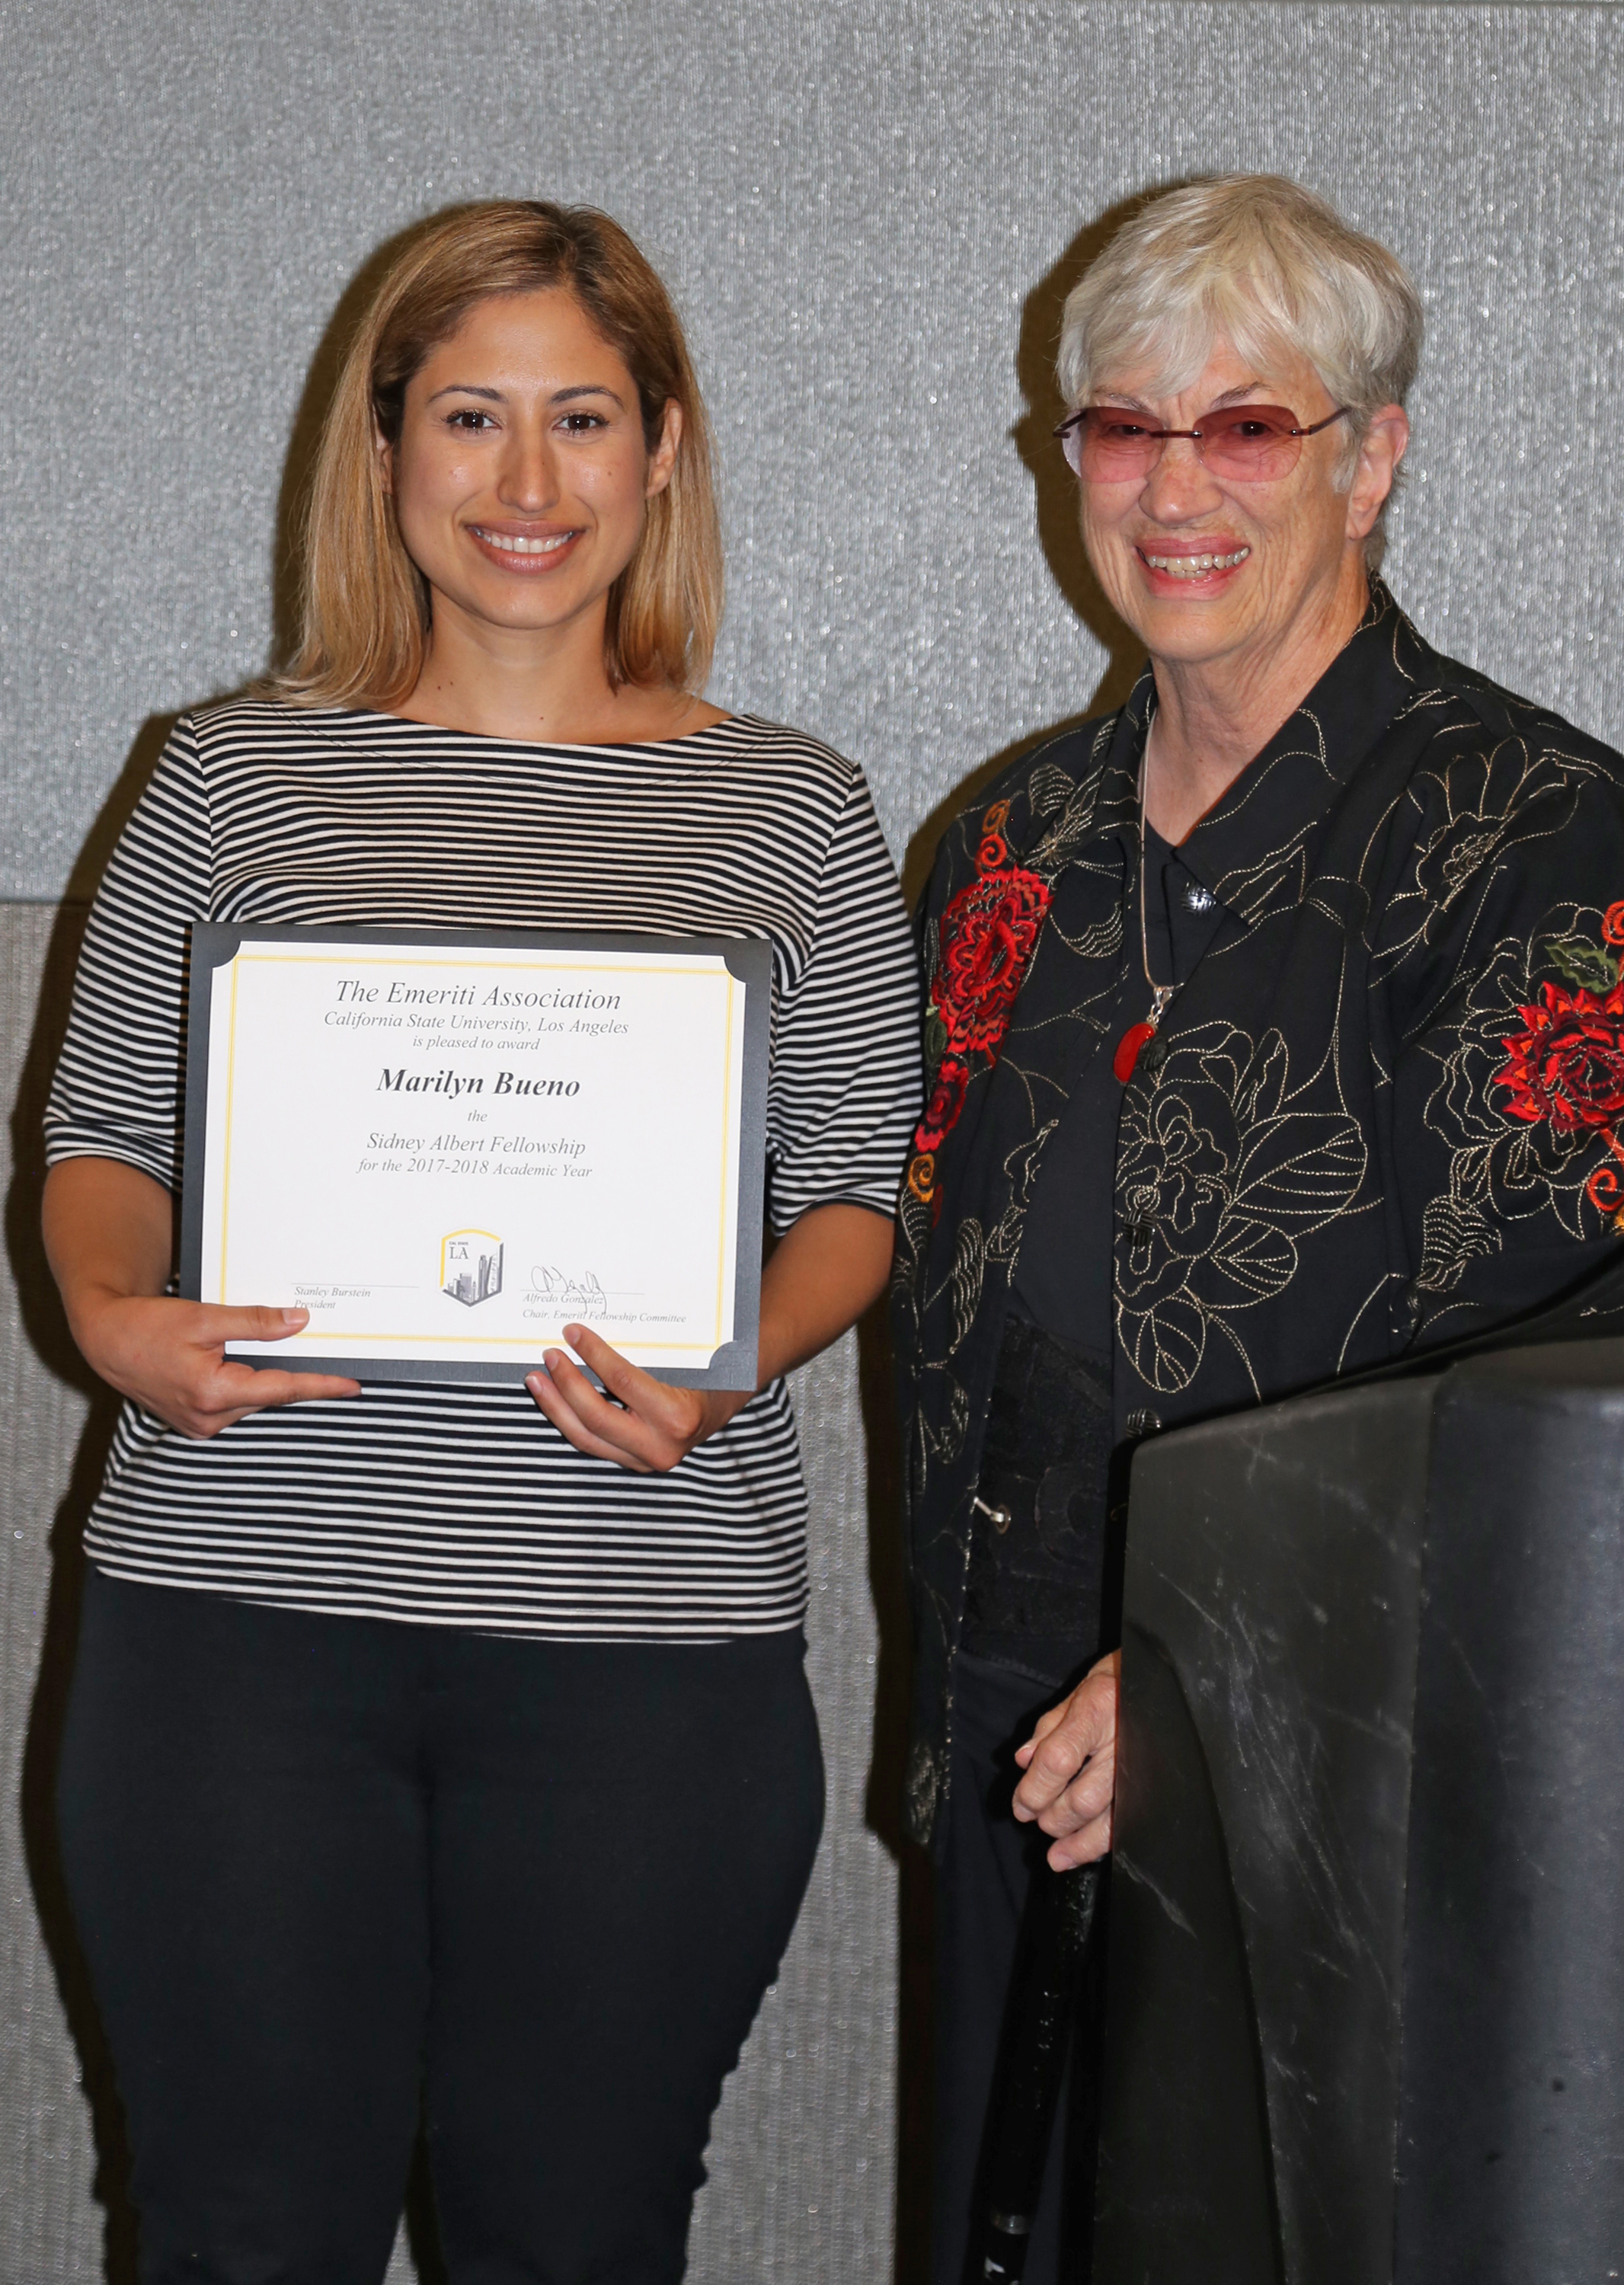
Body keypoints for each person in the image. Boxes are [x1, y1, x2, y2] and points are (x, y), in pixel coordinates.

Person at [43, 200, 923, 2285]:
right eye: (469, 417)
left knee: (578, 2237)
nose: (527, 487)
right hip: (238, 1631)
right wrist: (107, 1318)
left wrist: (738, 1360)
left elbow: (857, 1193)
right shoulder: (224, 775)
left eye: (583, 421)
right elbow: (94, 1139)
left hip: (644, 1660)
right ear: (381, 456)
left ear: (664, 453)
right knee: (245, 2236)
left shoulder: (792, 808)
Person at [891, 173, 1624, 2283]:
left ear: (1376, 453)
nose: (1176, 489)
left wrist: (1208, 1676)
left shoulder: (1546, 843)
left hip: (1346, 1742)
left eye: (1247, 425)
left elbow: (1544, 1361)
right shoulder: (1005, 845)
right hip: (1002, 1691)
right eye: (1124, 428)